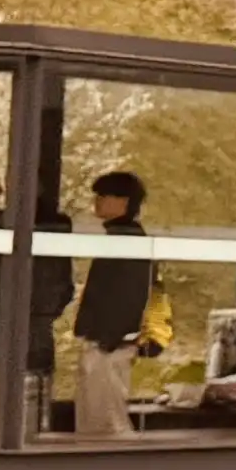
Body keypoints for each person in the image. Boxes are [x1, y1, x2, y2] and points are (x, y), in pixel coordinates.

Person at [66, 168, 163, 439]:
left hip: (110, 342)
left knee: (104, 420)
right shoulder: (121, 238)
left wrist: (109, 337)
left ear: (124, 201)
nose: (97, 201)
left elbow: (130, 294)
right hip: (107, 339)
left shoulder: (127, 242)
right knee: (99, 415)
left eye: (104, 195)